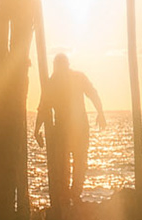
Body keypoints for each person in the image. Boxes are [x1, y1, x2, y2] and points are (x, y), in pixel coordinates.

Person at [35, 53, 104, 209]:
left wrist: (101, 112)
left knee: (79, 163)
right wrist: (36, 130)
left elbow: (93, 94)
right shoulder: (52, 83)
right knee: (65, 165)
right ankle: (68, 197)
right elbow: (43, 108)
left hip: (78, 129)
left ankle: (74, 195)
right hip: (63, 131)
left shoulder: (75, 78)